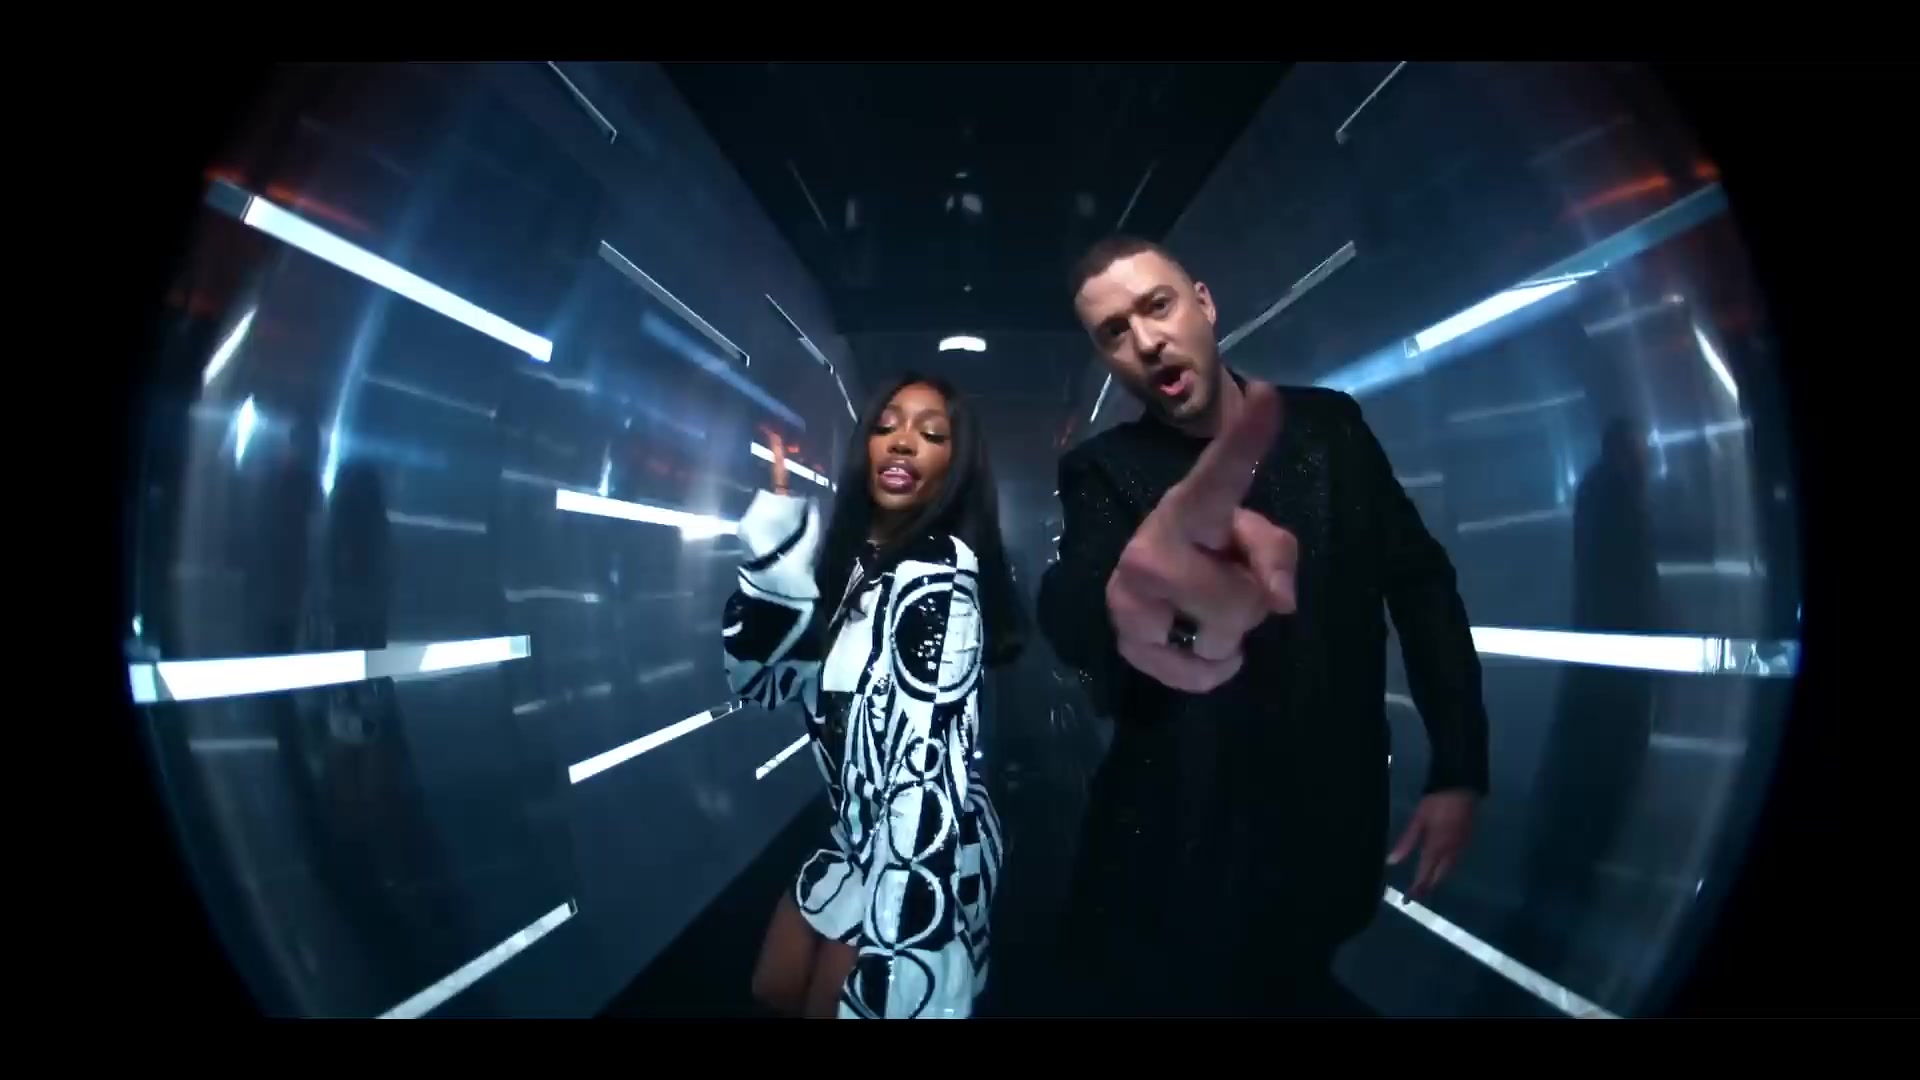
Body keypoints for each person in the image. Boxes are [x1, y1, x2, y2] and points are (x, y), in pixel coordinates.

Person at [1038, 235, 1491, 1016]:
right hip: (1176, 851)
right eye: (1115, 332)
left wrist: (1459, 766)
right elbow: (1074, 601)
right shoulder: (1103, 470)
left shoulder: (1331, 429)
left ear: (1204, 305)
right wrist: (1121, 604)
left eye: (1156, 306)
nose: (1146, 340)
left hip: (1328, 835)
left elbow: (1422, 588)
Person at [722, 373, 1027, 1019]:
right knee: (774, 985)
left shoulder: (941, 580)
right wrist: (779, 533)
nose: (903, 442)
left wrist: (901, 950)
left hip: (917, 847)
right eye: (887, 426)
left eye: (931, 433)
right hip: (855, 832)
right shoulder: (853, 565)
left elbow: (925, 780)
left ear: (956, 466)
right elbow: (760, 680)